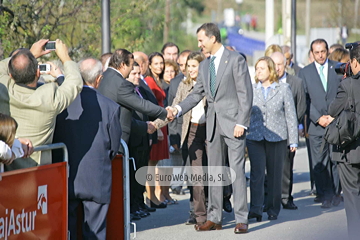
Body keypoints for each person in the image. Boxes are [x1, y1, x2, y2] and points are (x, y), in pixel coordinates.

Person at [169, 22, 253, 234]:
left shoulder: (235, 60)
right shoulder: (205, 65)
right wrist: (177, 109)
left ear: (212, 38)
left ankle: (241, 218)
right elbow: (197, 94)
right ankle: (214, 217)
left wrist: (241, 123)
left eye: (201, 40)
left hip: (234, 125)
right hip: (213, 125)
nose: (199, 45)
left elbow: (245, 93)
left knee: (236, 172)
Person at [52, 57, 122, 239]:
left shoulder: (60, 103)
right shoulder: (110, 107)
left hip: (67, 176)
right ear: (99, 79)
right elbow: (114, 146)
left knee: (68, 230)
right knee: (95, 233)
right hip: (97, 177)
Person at [0, 39, 83, 171]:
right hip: (36, 173)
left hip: (5, 170)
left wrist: (30, 54)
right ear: (38, 73)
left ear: (10, 75)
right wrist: (65, 57)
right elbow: (75, 83)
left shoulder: (3, 89)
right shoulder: (48, 97)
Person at [247, 57, 298, 221]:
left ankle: (272, 208)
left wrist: (293, 140)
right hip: (255, 137)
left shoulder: (283, 89)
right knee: (257, 174)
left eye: (262, 68)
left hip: (277, 138)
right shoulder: (252, 89)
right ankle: (255, 208)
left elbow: (291, 116)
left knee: (275, 175)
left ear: (270, 70)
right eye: (257, 68)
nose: (258, 71)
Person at [298, 39, 343, 208]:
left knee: (335, 160)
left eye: (323, 51)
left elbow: (342, 94)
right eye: (316, 52)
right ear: (312, 54)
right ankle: (325, 195)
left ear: (327, 51)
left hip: (335, 122)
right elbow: (305, 100)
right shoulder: (305, 73)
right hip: (316, 126)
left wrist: (333, 115)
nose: (320, 55)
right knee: (319, 163)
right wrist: (317, 118)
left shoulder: (337, 68)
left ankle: (335, 193)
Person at [97, 49, 173, 144]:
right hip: (116, 140)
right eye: (131, 65)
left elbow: (122, 115)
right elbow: (141, 104)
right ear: (123, 65)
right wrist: (165, 112)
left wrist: (145, 126)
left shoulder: (104, 76)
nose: (133, 68)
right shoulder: (121, 83)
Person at [328, 41, 360, 240]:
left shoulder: (348, 84)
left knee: (352, 198)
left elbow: (333, 110)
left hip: (351, 151)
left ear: (354, 62)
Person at [270, 52, 306, 210]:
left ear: (285, 64)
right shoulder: (266, 83)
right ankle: (269, 198)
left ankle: (285, 197)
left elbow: (301, 106)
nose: (277, 68)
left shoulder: (296, 82)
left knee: (286, 166)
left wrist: (292, 125)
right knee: (268, 166)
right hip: (269, 131)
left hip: (288, 130)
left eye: (279, 64)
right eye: (274, 64)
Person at [126, 62, 157, 221]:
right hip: (133, 139)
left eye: (139, 73)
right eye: (134, 74)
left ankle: (139, 202)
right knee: (132, 175)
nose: (138, 76)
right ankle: (132, 206)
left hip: (144, 138)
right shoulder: (126, 93)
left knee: (141, 173)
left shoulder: (140, 90)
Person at [144, 52, 171, 208]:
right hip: (156, 124)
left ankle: (154, 196)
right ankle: (151, 197)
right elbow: (150, 106)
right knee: (150, 163)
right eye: (156, 63)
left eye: (161, 63)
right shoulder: (148, 80)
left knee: (154, 163)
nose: (160, 66)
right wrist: (157, 128)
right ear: (149, 65)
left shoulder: (158, 80)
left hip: (162, 123)